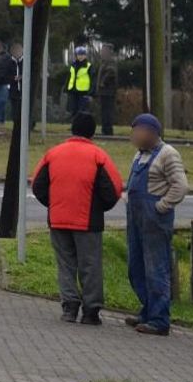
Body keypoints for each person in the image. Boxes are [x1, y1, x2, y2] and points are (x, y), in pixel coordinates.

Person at [32, 112, 124, 324]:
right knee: (90, 265)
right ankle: (91, 311)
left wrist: (54, 204)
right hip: (88, 221)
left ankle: (69, 307)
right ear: (93, 132)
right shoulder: (98, 156)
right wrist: (98, 208)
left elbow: (37, 185)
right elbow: (114, 190)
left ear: (72, 129)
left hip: (58, 218)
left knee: (65, 264)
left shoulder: (53, 154)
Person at [125, 113, 189, 336]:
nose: (133, 136)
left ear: (151, 133)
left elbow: (180, 186)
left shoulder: (168, 154)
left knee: (156, 269)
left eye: (137, 131)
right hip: (136, 219)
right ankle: (147, 310)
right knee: (136, 268)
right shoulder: (139, 154)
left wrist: (161, 206)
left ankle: (159, 319)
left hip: (155, 220)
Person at [96, 45, 119, 136]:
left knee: (107, 111)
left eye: (104, 51)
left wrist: (103, 82)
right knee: (104, 111)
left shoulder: (110, 62)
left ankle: (108, 130)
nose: (102, 52)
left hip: (108, 92)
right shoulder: (104, 62)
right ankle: (105, 129)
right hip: (104, 92)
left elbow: (111, 72)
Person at [65, 46, 94, 117]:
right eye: (79, 54)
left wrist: (91, 92)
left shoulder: (88, 66)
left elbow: (92, 79)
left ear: (85, 55)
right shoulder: (73, 65)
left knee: (82, 110)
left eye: (82, 54)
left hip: (83, 91)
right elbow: (69, 77)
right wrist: (66, 88)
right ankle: (74, 125)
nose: (81, 56)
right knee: (73, 109)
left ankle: (81, 125)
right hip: (73, 90)